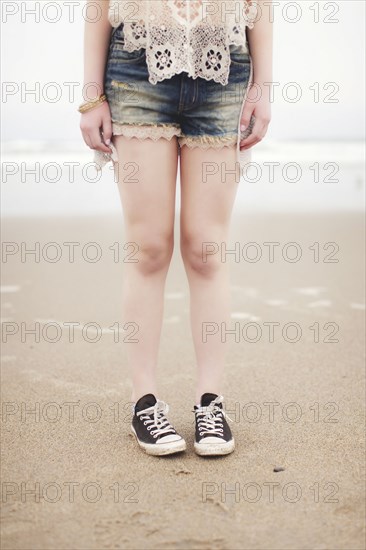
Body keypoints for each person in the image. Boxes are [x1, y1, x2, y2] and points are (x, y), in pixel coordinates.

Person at [79, 0, 272, 456]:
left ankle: (210, 402)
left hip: (224, 66)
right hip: (135, 69)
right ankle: (143, 400)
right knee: (148, 246)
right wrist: (91, 97)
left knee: (206, 248)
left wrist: (264, 87)